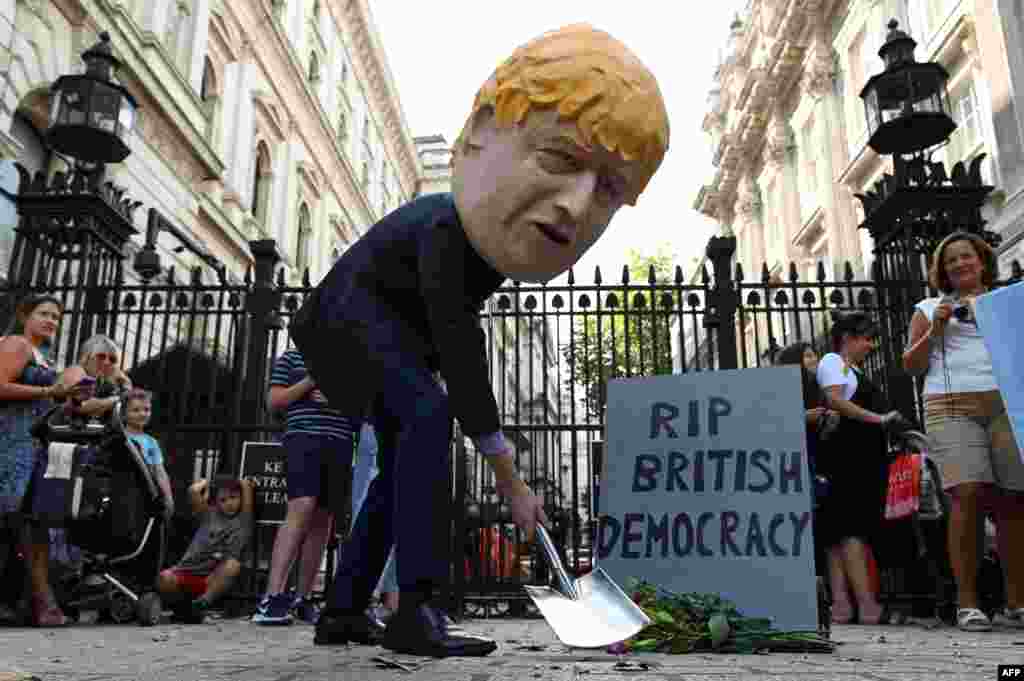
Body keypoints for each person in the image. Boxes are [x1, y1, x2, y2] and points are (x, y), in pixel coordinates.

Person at [290, 23, 668, 657]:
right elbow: (459, 347)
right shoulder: (446, 227)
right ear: (479, 138)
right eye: (561, 159)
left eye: (607, 191)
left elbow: (447, 340)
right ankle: (417, 609)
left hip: (375, 329)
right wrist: (509, 476)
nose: (576, 207)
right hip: (344, 320)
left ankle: (345, 608)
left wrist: (499, 461)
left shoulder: (484, 250)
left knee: (402, 457)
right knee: (428, 418)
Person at [903, 231, 1024, 632]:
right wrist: (934, 329)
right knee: (967, 494)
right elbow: (911, 365)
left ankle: (1017, 600)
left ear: (981, 260)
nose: (959, 264)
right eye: (950, 260)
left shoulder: (1004, 302)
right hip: (950, 403)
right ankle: (968, 602)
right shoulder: (927, 307)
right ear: (942, 270)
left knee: (1013, 499)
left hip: (1006, 400)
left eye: (965, 257)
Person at [252, 348, 353, 625]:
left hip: (341, 442)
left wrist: (340, 398)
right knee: (301, 507)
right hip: (303, 439)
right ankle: (272, 597)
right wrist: (310, 382)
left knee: (324, 518)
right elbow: (273, 402)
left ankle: (304, 598)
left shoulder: (353, 358)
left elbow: (363, 407)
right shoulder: (292, 358)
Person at [816, 313, 901, 625]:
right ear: (847, 338)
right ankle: (866, 604)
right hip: (847, 458)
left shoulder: (851, 369)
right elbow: (835, 401)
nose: (870, 344)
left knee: (838, 535)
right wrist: (879, 419)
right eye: (865, 338)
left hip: (856, 457)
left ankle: (843, 606)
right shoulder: (833, 362)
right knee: (852, 532)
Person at [0, 295, 77, 626]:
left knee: (26, 524)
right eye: (44, 314)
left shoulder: (42, 356)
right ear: (24, 315)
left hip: (31, 447)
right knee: (13, 521)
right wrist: (50, 392)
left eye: (56, 317)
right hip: (9, 443)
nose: (51, 321)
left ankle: (26, 601)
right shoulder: (17, 344)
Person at [157, 475, 253, 623]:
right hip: (187, 572)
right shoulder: (209, 514)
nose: (229, 503)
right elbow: (193, 491)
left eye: (234, 497)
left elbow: (245, 488)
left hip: (211, 580)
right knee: (163, 579)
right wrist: (205, 483)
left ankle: (201, 604)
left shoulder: (242, 521)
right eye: (223, 500)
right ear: (215, 502)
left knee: (233, 564)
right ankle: (183, 610)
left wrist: (243, 484)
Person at [350, 421, 399, 619]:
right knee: (372, 507)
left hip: (390, 420)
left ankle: (391, 600)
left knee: (399, 511)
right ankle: (365, 599)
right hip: (381, 421)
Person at [122, 388, 174, 520]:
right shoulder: (120, 438)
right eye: (136, 410)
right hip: (125, 493)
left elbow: (159, 471)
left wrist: (168, 497)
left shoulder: (152, 442)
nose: (142, 414)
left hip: (147, 495)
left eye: (146, 409)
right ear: (123, 414)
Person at [59, 334, 132, 421]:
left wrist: (125, 386)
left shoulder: (101, 383)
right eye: (101, 356)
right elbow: (82, 406)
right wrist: (119, 398)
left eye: (112, 360)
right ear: (86, 357)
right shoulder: (75, 371)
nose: (107, 362)